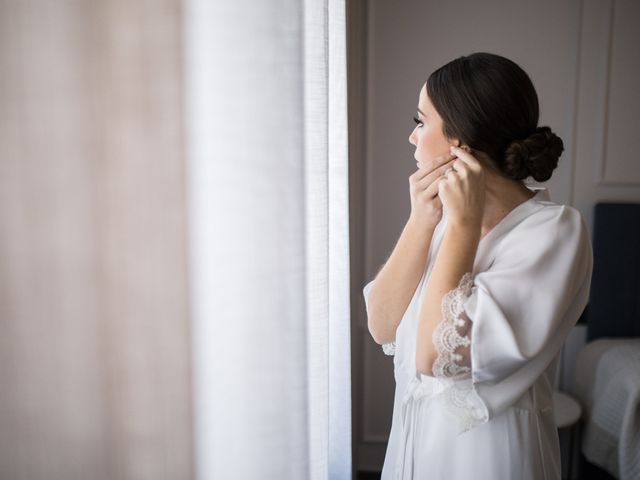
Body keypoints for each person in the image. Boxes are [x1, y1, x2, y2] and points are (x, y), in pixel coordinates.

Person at [362, 52, 593, 479]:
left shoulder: (555, 232)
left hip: (491, 458)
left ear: (461, 141)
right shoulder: (439, 217)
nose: (413, 139)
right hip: (413, 449)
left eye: (420, 121)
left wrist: (464, 227)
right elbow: (381, 324)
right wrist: (421, 220)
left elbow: (436, 355)